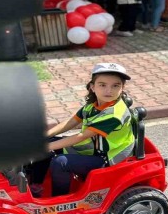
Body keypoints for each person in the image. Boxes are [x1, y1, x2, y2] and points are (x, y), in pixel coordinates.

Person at [45, 63, 135, 196]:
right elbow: (72, 121)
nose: (109, 90)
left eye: (115, 86)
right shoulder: (93, 105)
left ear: (122, 88)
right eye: (102, 85)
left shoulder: (114, 114)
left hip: (108, 158)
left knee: (60, 162)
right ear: (92, 87)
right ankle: (36, 185)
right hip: (95, 148)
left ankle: (59, 199)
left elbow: (82, 136)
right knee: (48, 142)